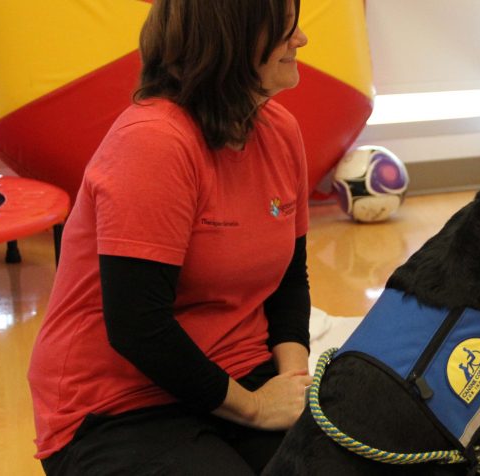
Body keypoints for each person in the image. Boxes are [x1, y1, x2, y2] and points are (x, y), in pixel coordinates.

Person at [27, 0, 311, 473]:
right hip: (120, 404)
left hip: (239, 371)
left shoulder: (281, 131)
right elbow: (139, 328)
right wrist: (258, 409)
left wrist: (293, 384)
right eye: (285, 30)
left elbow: (289, 281)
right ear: (231, 41)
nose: (301, 40)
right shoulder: (154, 141)